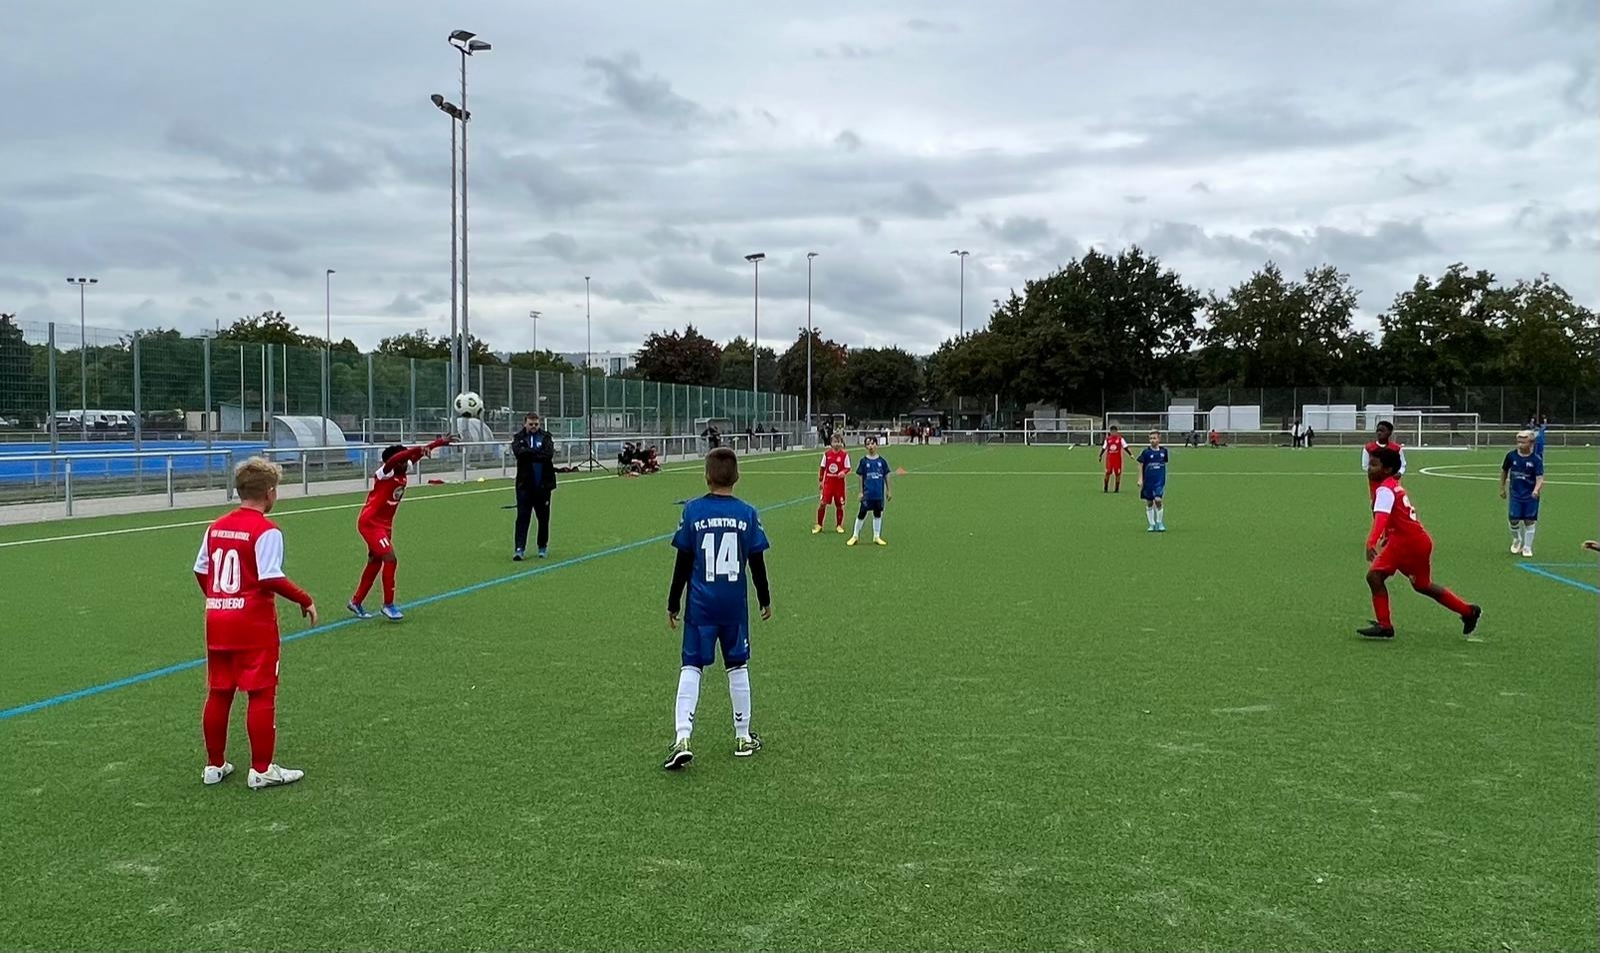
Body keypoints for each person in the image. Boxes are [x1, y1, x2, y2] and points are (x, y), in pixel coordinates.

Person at [192, 457, 317, 790]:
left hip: (218, 619)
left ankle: (214, 765)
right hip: (252, 623)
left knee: (219, 691)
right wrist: (304, 598)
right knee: (261, 692)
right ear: (270, 492)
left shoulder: (216, 526)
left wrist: (219, 598)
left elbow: (201, 569)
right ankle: (262, 769)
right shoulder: (266, 530)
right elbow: (270, 576)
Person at [664, 447, 772, 769]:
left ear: (706, 476)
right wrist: (764, 598)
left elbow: (683, 561)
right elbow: (757, 562)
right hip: (733, 608)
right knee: (737, 666)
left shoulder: (693, 511)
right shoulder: (747, 513)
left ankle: (683, 737)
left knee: (692, 666)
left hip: (701, 607)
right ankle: (743, 736)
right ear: (737, 476)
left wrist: (673, 601)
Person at [1358, 447, 1481, 640]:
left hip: (1406, 543)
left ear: (1387, 469)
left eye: (1374, 465)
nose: (1369, 469)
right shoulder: (1393, 485)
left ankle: (1385, 625)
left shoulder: (1385, 490)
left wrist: (1371, 541)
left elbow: (1382, 517)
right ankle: (1468, 611)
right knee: (1422, 585)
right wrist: (1389, 534)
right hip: (1416, 540)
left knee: (1374, 577)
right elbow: (1399, 515)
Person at [349, 435, 453, 619]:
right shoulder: (385, 472)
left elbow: (415, 456)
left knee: (375, 562)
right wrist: (416, 450)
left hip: (385, 526)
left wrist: (439, 443)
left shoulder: (402, 468)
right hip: (371, 523)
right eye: (404, 460)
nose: (407, 464)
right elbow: (397, 458)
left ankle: (356, 602)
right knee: (390, 558)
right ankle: (388, 605)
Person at [511, 412, 557, 560]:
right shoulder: (519, 438)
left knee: (543, 519)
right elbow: (519, 453)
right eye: (531, 424)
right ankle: (519, 549)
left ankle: (542, 547)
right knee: (522, 518)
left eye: (536, 424)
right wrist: (536, 453)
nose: (533, 427)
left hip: (543, 486)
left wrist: (529, 453)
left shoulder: (546, 437)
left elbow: (548, 454)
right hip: (524, 486)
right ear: (525, 423)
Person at [1499, 430, 1545, 557]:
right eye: (1518, 442)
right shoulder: (1511, 456)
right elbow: (1504, 472)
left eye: (1523, 442)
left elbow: (1540, 478)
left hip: (1530, 495)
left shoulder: (1536, 459)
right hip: (1515, 493)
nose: (1520, 444)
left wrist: (1536, 490)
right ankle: (1517, 539)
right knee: (1513, 519)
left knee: (1529, 520)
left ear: (1531, 443)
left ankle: (1527, 547)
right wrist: (1502, 488)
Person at [848, 435, 892, 546]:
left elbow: (886, 475)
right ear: (865, 447)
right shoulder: (863, 461)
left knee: (877, 514)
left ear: (876, 445)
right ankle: (855, 536)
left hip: (878, 494)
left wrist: (889, 490)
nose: (871, 446)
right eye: (868, 444)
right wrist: (860, 491)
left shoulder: (882, 461)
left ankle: (876, 536)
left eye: (873, 443)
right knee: (862, 513)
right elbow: (860, 476)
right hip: (867, 494)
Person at [815, 433, 852, 534]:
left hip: (839, 484)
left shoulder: (844, 455)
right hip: (828, 483)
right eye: (835, 442)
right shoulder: (827, 454)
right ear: (831, 443)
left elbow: (848, 468)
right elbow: (822, 468)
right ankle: (819, 525)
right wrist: (821, 480)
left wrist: (843, 472)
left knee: (839, 505)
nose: (837, 444)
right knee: (822, 504)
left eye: (838, 442)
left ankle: (839, 525)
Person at [1361, 421, 1406, 502]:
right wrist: (1378, 472)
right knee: (1377, 503)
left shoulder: (1396, 448)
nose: (1379, 433)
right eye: (1378, 430)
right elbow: (1365, 466)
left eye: (1382, 431)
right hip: (1375, 482)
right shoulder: (1368, 448)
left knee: (1393, 503)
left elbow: (1402, 465)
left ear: (1389, 432)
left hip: (1391, 481)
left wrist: (1399, 473)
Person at [1137, 430, 1170, 533]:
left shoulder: (1164, 452)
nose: (1152, 440)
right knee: (1150, 502)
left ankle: (1159, 522)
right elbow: (1140, 464)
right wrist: (1140, 478)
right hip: (1148, 481)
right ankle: (1152, 524)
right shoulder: (1146, 452)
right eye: (1150, 438)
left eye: (1154, 438)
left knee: (1158, 500)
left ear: (1159, 439)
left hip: (1159, 481)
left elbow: (1164, 463)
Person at [1099, 426, 1134, 493]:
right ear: (1110, 432)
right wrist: (1100, 455)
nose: (1113, 433)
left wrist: (1130, 454)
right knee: (1108, 472)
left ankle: (1116, 489)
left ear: (1116, 432)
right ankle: (1105, 488)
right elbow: (1104, 448)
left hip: (1117, 459)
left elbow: (1125, 447)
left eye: (1114, 431)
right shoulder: (1107, 439)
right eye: (1112, 431)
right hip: (1109, 459)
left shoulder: (1120, 439)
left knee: (1118, 473)